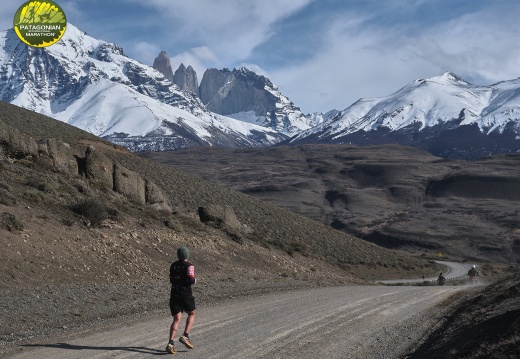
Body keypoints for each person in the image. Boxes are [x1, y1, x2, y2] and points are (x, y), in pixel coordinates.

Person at [166, 246, 197, 354]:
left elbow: (171, 280)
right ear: (187, 255)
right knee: (192, 313)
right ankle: (185, 335)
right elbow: (191, 279)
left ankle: (170, 343)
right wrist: (195, 280)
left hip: (174, 294)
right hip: (185, 294)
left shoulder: (173, 265)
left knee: (176, 319)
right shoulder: (189, 266)